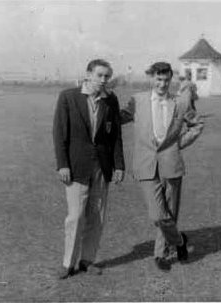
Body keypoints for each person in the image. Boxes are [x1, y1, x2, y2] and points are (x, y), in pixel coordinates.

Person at [120, 62, 204, 271]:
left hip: (171, 164)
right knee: (158, 214)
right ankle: (179, 241)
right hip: (145, 164)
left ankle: (161, 254)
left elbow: (197, 124)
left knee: (170, 210)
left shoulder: (181, 102)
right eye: (158, 79)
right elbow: (118, 117)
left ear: (171, 80)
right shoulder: (137, 100)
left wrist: (179, 143)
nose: (162, 84)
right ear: (151, 78)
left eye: (166, 80)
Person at [53, 59, 125, 279]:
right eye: (99, 75)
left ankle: (87, 260)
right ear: (88, 75)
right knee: (75, 216)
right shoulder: (68, 97)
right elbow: (59, 133)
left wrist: (119, 165)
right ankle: (68, 263)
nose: (103, 80)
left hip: (102, 168)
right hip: (76, 168)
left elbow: (115, 137)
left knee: (97, 215)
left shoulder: (110, 100)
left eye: (107, 77)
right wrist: (63, 164)